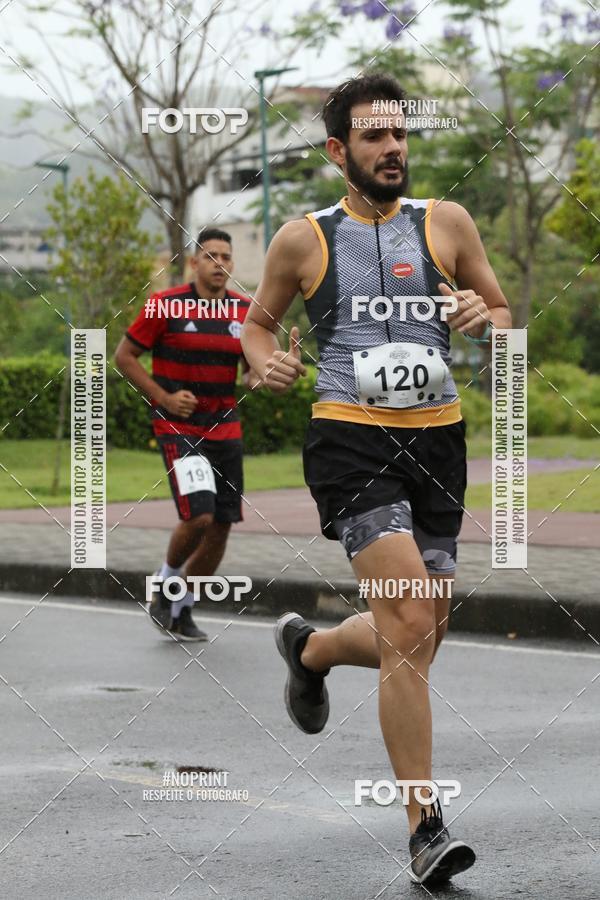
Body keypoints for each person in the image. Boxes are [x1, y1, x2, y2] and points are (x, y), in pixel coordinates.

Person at [241, 74, 511, 885]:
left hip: (440, 441)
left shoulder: (448, 223)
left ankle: (313, 649)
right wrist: (268, 364)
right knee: (404, 616)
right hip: (350, 440)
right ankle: (425, 825)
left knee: (421, 635)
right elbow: (257, 326)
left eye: (399, 135)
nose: (392, 148)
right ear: (338, 151)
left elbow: (502, 315)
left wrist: (484, 320)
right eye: (373, 137)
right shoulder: (304, 239)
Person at [115, 228, 260, 641]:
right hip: (179, 428)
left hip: (225, 428)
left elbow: (250, 375)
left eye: (226, 257)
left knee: (222, 525)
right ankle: (166, 580)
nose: (219, 264)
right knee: (199, 515)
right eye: (210, 256)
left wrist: (270, 371)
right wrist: (163, 396)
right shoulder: (164, 305)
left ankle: (182, 608)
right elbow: (124, 357)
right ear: (194, 263)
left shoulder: (244, 312)